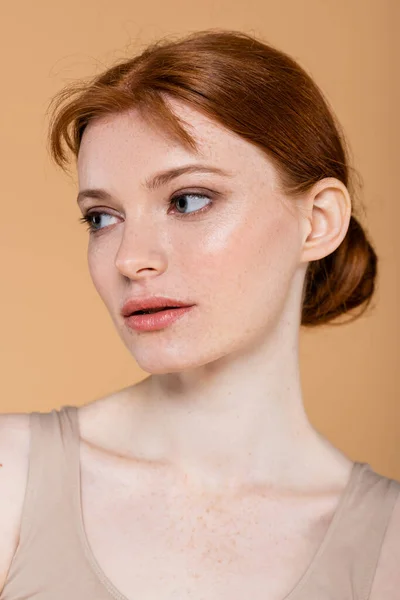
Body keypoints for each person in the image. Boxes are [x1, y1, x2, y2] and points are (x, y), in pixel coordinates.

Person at [0, 28, 399, 600]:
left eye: (188, 200)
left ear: (318, 221)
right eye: (102, 218)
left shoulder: (389, 546)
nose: (132, 259)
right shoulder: (11, 479)